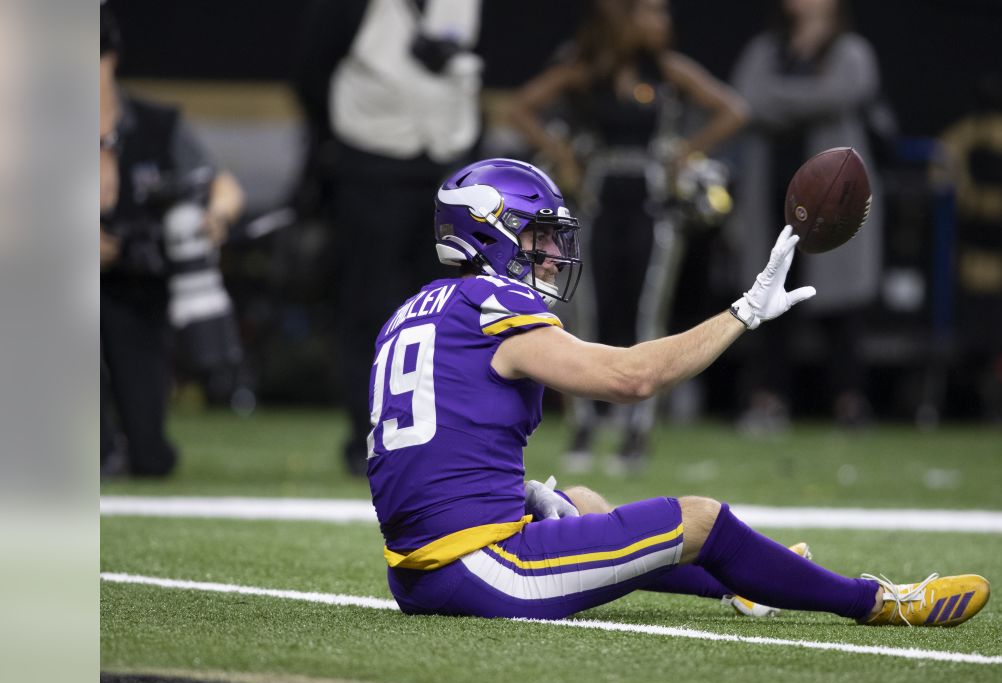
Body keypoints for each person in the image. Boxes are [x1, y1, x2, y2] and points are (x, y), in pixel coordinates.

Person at [367, 157, 988, 625]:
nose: (553, 254)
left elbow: (416, 453)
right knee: (701, 518)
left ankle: (736, 582)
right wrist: (743, 311)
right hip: (479, 570)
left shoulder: (413, 312)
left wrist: (516, 494)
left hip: (419, 570)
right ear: (488, 232)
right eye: (539, 236)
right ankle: (878, 601)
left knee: (580, 499)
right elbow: (630, 378)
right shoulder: (494, 303)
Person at [509, 0, 749, 473]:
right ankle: (583, 425)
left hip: (652, 204)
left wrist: (684, 151)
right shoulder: (584, 71)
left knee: (646, 314)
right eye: (650, 12)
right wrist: (564, 154)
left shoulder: (667, 71)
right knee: (584, 311)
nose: (661, 22)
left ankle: (638, 432)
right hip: (595, 203)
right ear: (621, 18)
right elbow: (520, 108)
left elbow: (733, 110)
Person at [292, 0, 484, 475]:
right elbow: (310, 74)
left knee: (444, 310)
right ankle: (369, 437)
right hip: (371, 167)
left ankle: (434, 439)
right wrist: (345, 135)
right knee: (369, 307)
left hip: (445, 168)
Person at [100, 4, 245, 477]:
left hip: (136, 293)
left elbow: (226, 187)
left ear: (110, 59)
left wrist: (213, 217)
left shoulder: (156, 124)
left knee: (150, 457)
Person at [728, 0, 887, 431]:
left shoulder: (851, 50)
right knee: (768, 297)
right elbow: (745, 98)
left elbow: (843, 92)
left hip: (835, 199)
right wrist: (807, 98)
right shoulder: (764, 50)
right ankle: (768, 400)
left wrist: (779, 100)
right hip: (771, 197)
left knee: (842, 304)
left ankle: (849, 402)